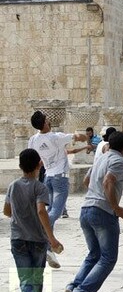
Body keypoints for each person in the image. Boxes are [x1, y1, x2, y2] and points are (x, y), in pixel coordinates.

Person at [66, 131, 123, 292]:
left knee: (94, 254)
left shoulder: (100, 157)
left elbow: (87, 181)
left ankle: (74, 286)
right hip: (102, 212)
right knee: (108, 257)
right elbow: (108, 181)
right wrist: (116, 207)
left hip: (86, 209)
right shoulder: (118, 161)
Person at [4, 148, 63, 292]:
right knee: (37, 276)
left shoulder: (13, 186)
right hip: (37, 239)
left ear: (20, 166)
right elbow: (41, 210)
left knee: (25, 277)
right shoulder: (40, 187)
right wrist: (52, 238)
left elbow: (7, 211)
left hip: (18, 238)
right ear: (39, 164)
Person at [28, 110, 87, 269]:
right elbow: (79, 138)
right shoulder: (56, 137)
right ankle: (42, 232)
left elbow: (35, 159)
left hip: (47, 176)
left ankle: (47, 248)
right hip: (60, 177)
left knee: (50, 211)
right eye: (47, 119)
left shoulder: (33, 140)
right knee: (56, 211)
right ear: (45, 123)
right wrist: (80, 135)